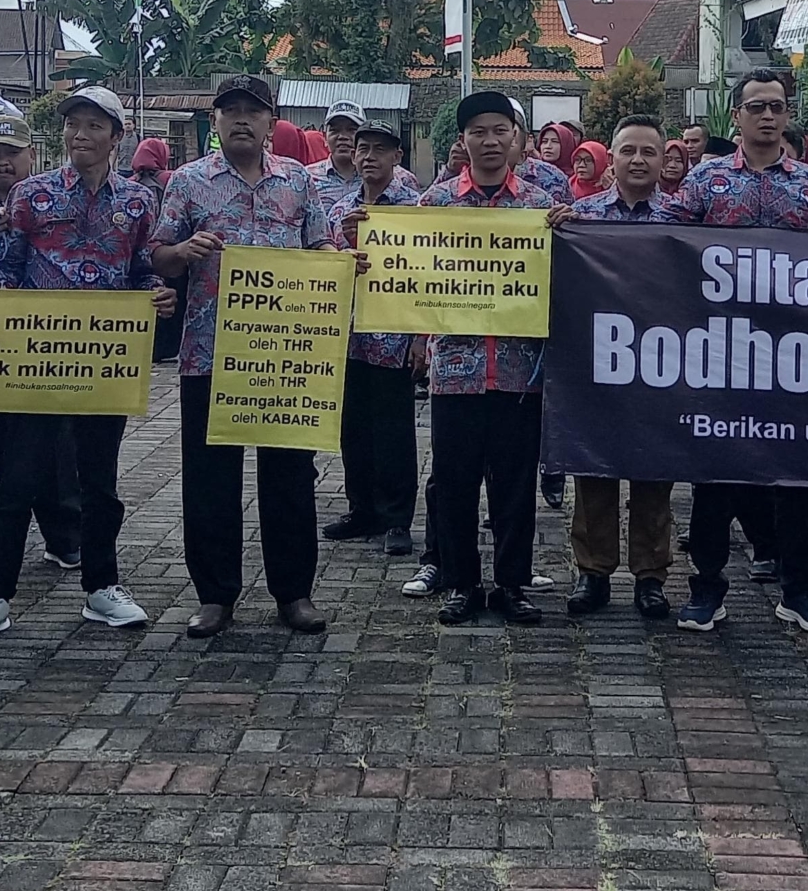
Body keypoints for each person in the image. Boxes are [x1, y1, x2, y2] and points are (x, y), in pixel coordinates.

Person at [0, 85, 173, 642]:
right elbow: (5, 270)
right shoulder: (30, 195)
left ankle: (102, 587)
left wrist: (158, 292)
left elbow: (142, 271)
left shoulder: (139, 203)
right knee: (18, 482)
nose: (81, 136)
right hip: (34, 363)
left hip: (104, 366)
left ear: (117, 137)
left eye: (95, 126)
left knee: (100, 484)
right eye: (74, 126)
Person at [152, 73, 340, 637]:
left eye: (252, 111)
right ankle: (215, 595)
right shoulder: (187, 183)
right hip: (210, 354)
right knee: (210, 479)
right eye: (229, 110)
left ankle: (294, 592)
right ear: (214, 120)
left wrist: (338, 262)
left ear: (270, 121)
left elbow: (321, 244)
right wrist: (182, 251)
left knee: (288, 476)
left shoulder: (299, 184)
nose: (241, 119)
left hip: (286, 357)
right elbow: (158, 256)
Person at [661, 68, 808, 634]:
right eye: (757, 107)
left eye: (778, 107)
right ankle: (707, 588)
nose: (768, 116)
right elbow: (656, 242)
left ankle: (801, 589)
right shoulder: (705, 181)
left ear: (788, 116)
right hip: (721, 353)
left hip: (795, 357)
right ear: (736, 117)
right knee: (716, 477)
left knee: (796, 478)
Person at [422, 91, 563, 626]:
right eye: (478, 130)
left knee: (514, 483)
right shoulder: (434, 206)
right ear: (463, 140)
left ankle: (512, 583)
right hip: (454, 372)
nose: (489, 140)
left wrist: (567, 235)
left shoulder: (540, 207)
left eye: (499, 129)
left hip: (519, 371)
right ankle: (460, 582)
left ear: (515, 138)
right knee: (454, 482)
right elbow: (405, 274)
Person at [559, 115, 677, 619]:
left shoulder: (682, 223)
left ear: (662, 159)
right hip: (595, 360)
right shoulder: (580, 220)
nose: (638, 160)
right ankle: (594, 572)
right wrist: (555, 234)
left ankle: (651, 576)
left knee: (655, 473)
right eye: (627, 151)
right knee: (594, 470)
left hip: (659, 361)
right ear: (612, 157)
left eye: (648, 152)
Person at [323, 119, 425, 557]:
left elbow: (426, 278)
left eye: (379, 149)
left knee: (395, 431)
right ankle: (361, 507)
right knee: (353, 430)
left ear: (396, 157)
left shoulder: (415, 210)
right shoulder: (338, 210)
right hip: (346, 336)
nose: (368, 156)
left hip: (393, 337)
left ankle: (397, 518)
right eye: (363, 148)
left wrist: (422, 337)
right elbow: (323, 268)